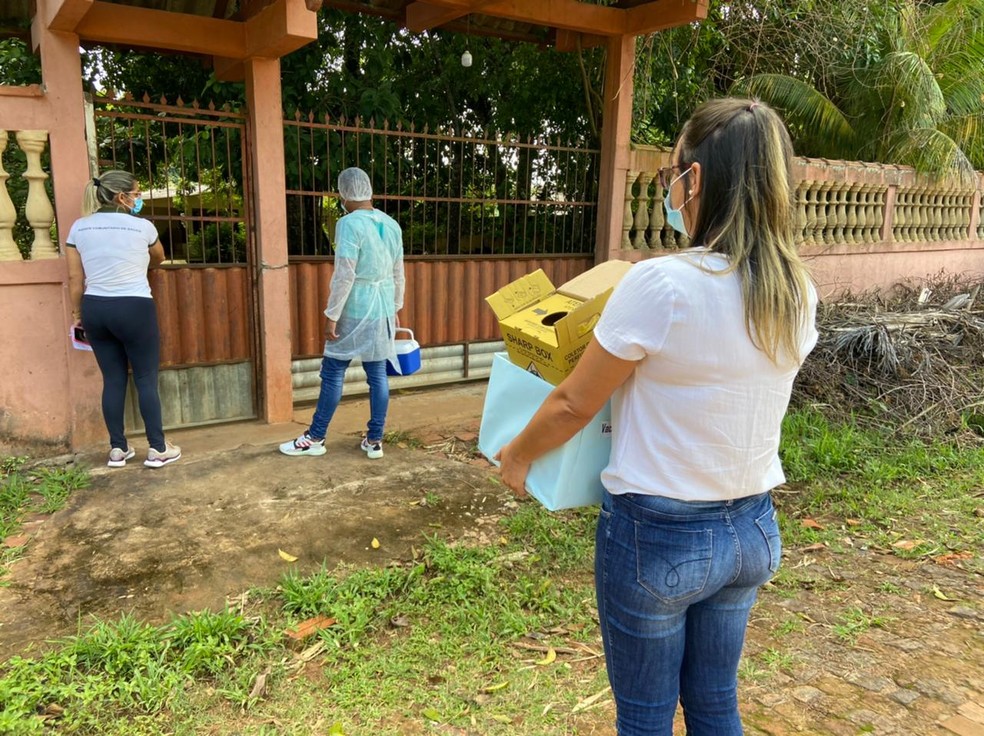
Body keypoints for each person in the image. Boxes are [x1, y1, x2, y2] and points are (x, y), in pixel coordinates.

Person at [497, 98, 819, 735]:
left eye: (675, 170)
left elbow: (572, 403)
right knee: (715, 705)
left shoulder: (662, 285)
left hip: (660, 535)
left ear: (693, 180)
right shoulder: (795, 291)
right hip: (752, 528)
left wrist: (517, 454)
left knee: (644, 718)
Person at [280, 167, 406, 459]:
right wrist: (395, 308)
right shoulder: (392, 224)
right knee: (377, 373)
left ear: (344, 194)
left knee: (334, 370)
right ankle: (375, 440)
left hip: (355, 307)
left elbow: (344, 274)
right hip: (383, 307)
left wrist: (331, 314)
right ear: (369, 190)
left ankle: (315, 437)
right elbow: (399, 271)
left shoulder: (348, 224)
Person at [66, 170, 182, 469]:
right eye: (137, 192)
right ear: (121, 196)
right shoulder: (142, 227)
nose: (139, 197)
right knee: (145, 379)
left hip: (96, 309)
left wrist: (78, 315)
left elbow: (75, 280)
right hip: (134, 308)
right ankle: (157, 449)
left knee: (113, 380)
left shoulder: (79, 228)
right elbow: (159, 257)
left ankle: (118, 449)